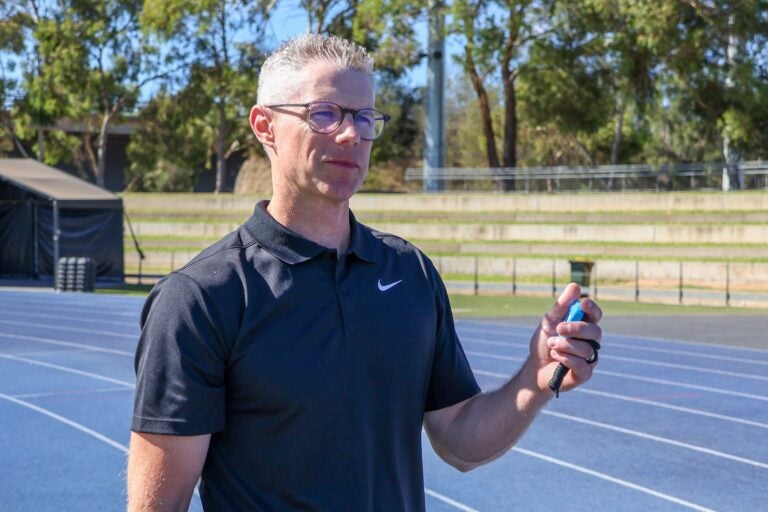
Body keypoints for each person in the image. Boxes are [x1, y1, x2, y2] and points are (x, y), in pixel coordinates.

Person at [127, 33, 603, 511]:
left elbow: (459, 440)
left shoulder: (410, 273)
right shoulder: (201, 298)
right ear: (265, 125)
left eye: (364, 117)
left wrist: (534, 380)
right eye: (324, 114)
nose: (351, 134)